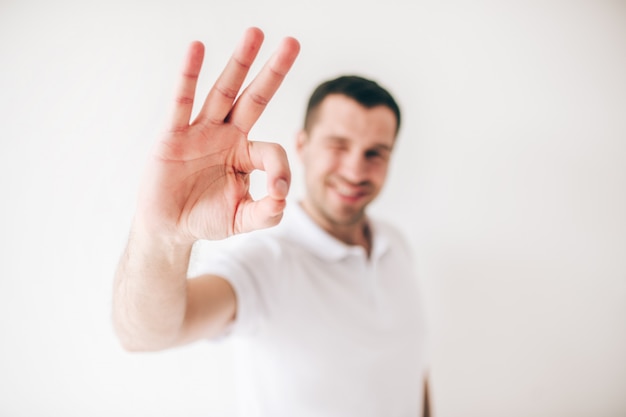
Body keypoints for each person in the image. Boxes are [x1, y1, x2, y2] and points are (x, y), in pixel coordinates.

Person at [113, 27, 431, 417]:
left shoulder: (394, 244)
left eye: (375, 153)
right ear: (302, 145)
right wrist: (163, 235)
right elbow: (147, 334)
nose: (354, 170)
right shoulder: (267, 260)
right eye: (338, 145)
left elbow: (410, 370)